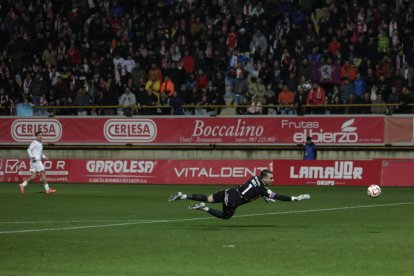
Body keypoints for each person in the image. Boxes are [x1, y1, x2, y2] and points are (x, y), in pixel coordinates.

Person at [168, 169, 310, 220]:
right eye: (271, 178)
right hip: (233, 200)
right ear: (265, 178)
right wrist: (295, 198)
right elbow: (278, 196)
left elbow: (254, 190)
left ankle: (183, 195)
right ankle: (202, 208)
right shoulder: (263, 189)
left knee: (208, 198)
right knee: (226, 216)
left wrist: (264, 196)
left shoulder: (255, 178)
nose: (273, 180)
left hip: (229, 191)